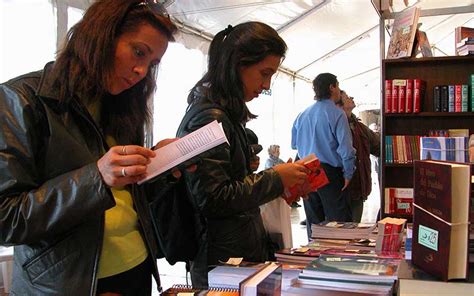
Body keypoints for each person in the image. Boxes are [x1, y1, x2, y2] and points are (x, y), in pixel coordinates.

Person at [0, 0, 179, 294]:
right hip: (71, 283)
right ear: (101, 34)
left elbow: (124, 199)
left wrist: (162, 166)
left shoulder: (123, 106)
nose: (141, 71)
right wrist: (96, 176)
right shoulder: (22, 99)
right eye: (139, 52)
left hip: (137, 267)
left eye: (151, 64)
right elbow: (6, 219)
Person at [176, 21, 310, 287]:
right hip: (221, 259)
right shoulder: (210, 117)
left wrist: (271, 180)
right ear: (238, 63)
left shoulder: (223, 113)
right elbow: (213, 198)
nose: (266, 84)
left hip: (231, 251)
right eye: (264, 73)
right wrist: (275, 179)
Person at [291, 73, 356, 239]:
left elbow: (294, 145)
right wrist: (348, 173)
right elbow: (346, 149)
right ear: (332, 87)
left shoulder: (302, 114)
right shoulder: (337, 114)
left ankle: (313, 259)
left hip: (306, 170)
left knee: (314, 224)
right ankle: (340, 260)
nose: (339, 91)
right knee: (339, 224)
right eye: (338, 86)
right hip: (329, 173)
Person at [336, 91, 380, 222]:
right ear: (338, 105)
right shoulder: (333, 126)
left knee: (354, 230)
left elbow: (378, 147)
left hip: (359, 189)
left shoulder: (360, 127)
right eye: (347, 97)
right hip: (341, 189)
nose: (352, 98)